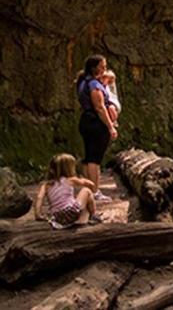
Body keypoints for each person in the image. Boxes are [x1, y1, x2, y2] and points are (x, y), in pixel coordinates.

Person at [75, 54, 118, 200]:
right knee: (95, 159)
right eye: (102, 66)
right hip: (95, 123)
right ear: (94, 68)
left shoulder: (83, 81)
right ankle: (94, 191)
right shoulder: (93, 85)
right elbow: (100, 107)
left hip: (86, 121)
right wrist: (111, 127)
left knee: (89, 157)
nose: (105, 69)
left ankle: (89, 190)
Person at [32, 153, 102, 228]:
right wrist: (81, 178)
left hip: (57, 217)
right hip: (71, 212)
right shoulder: (71, 180)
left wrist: (38, 214)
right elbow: (91, 184)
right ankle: (94, 215)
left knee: (74, 201)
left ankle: (80, 220)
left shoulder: (46, 185)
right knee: (86, 191)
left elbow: (39, 197)